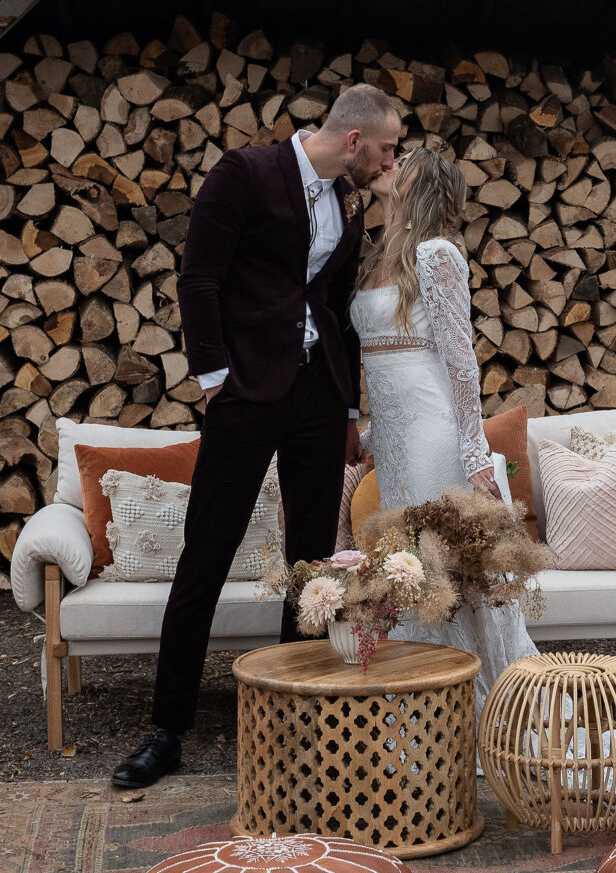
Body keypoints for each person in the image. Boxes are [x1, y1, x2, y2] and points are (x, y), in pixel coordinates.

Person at [111, 83, 402, 789]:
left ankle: (292, 722)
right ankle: (167, 730)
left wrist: (348, 411)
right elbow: (199, 278)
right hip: (244, 391)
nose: (393, 161)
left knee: (308, 566)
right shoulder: (244, 173)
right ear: (355, 139)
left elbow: (335, 309)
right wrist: (214, 379)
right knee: (207, 551)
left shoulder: (344, 203)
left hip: (315, 395)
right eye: (388, 147)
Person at [349, 146, 537, 717]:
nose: (388, 167)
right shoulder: (374, 254)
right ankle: (423, 709)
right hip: (396, 441)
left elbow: (460, 360)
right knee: (411, 569)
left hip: (435, 437)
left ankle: (483, 708)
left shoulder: (437, 255)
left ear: (419, 184)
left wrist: (475, 450)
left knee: (447, 568)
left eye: (398, 164)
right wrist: (370, 428)